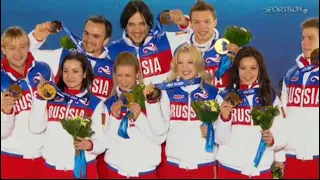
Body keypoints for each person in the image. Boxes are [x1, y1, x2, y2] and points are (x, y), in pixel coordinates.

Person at [28, 15, 113, 177]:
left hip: (86, 162)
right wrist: (37, 36)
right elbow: (23, 55)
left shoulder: (114, 69)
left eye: (96, 36)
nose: (88, 40)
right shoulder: (63, 56)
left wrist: (92, 145)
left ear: (106, 40)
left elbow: (104, 133)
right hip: (53, 162)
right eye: (86, 33)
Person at [143, 44, 231, 179]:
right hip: (173, 167)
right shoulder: (168, 92)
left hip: (204, 166)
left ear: (199, 64)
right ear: (175, 66)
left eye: (190, 62)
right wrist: (152, 102)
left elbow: (223, 138)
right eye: (180, 62)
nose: (185, 67)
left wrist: (212, 131)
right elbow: (159, 130)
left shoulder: (214, 93)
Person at [215, 46, 287, 179]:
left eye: (253, 68)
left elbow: (283, 134)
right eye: (243, 68)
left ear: (260, 70)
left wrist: (272, 141)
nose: (248, 73)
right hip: (230, 171)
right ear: (237, 69)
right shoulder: (224, 96)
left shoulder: (270, 97)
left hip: (261, 172)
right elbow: (220, 139)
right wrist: (224, 118)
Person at [97, 52, 165, 179]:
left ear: (137, 74)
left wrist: (139, 119)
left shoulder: (150, 99)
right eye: (119, 75)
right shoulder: (109, 104)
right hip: (115, 172)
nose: (123, 81)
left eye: (128, 75)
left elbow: (160, 138)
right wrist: (114, 118)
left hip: (145, 172)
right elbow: (106, 144)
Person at [1, 26, 53, 178]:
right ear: (3, 50)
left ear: (28, 47)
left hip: (43, 157)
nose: (18, 53)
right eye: (12, 48)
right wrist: (5, 113)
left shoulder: (44, 70)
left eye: (22, 47)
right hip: (11, 157)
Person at [281, 17, 319, 179]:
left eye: (311, 38)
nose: (305, 43)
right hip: (292, 157)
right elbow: (282, 116)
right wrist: (280, 156)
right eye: (303, 38)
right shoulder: (290, 75)